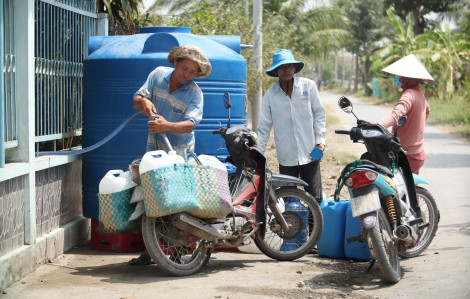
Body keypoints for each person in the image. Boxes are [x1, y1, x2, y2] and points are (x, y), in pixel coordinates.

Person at [130, 45, 211, 265]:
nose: (187, 75)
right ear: (175, 62)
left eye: (192, 72)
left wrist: (167, 126)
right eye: (184, 68)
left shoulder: (195, 93)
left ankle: (177, 253)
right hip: (154, 153)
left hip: (179, 156)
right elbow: (137, 100)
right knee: (151, 199)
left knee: (178, 205)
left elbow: (190, 125)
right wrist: (144, 103)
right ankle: (150, 252)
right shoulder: (157, 75)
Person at [257, 49, 326, 204]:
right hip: (286, 157)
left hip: (309, 154)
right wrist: (258, 156)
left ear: (295, 68)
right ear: (276, 71)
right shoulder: (270, 95)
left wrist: (320, 141)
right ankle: (293, 229)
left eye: (290, 66)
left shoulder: (308, 86)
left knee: (315, 199)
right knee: (289, 200)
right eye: (282, 66)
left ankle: (314, 228)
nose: (286, 69)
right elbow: (264, 128)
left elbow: (319, 114)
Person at [377, 54, 433, 174]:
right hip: (417, 151)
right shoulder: (418, 92)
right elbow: (427, 110)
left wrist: (378, 125)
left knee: (404, 189)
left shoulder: (409, 95)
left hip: (408, 154)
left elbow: (395, 115)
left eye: (399, 76)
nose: (397, 78)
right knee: (410, 189)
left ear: (405, 78)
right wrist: (415, 126)